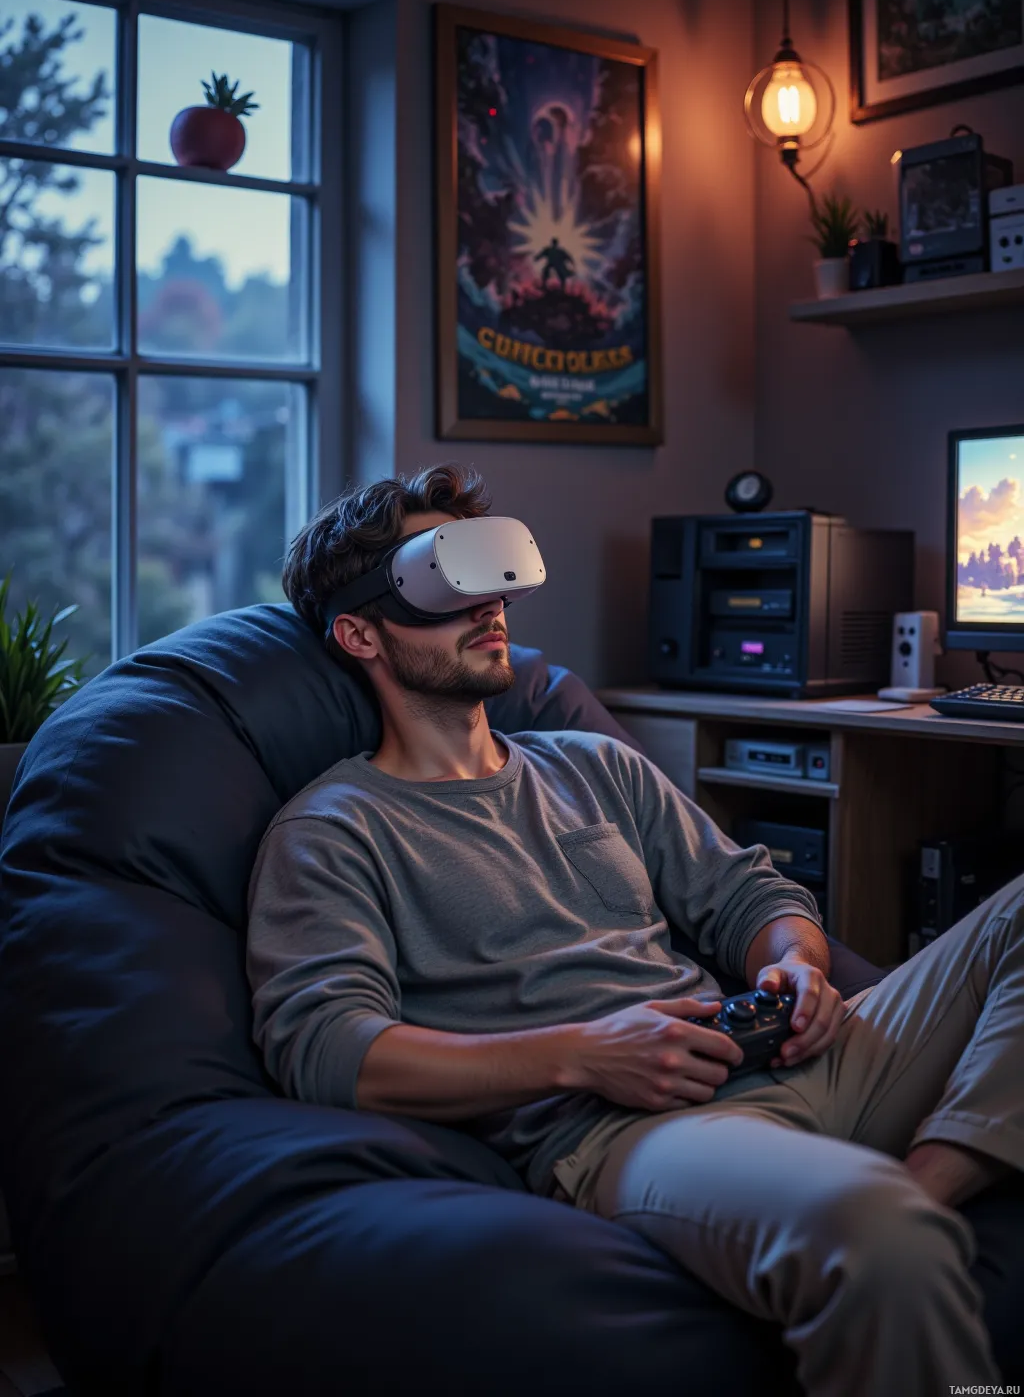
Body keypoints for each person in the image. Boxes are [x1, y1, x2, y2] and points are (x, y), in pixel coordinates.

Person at [247, 464, 1022, 1397]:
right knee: (879, 1233)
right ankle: (898, 1215)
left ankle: (928, 1180)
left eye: (491, 573)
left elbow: (752, 897)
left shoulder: (594, 765)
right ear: (361, 632)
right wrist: (581, 1055)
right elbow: (327, 1048)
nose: (490, 605)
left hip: (794, 1052)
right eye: (444, 580)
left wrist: (798, 968)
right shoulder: (333, 830)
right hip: (635, 1131)